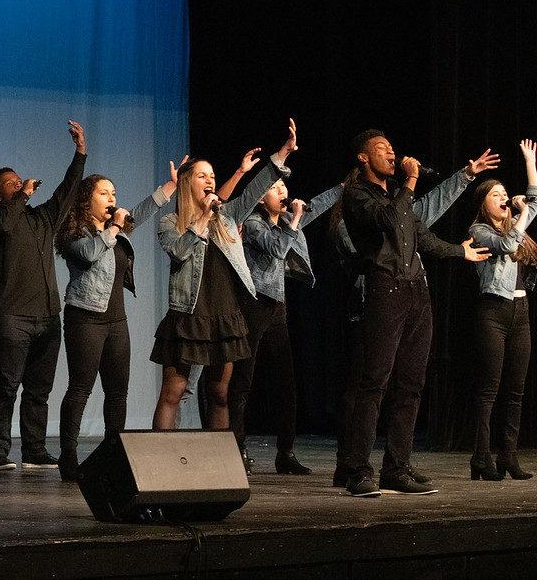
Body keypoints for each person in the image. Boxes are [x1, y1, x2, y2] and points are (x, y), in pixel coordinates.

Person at [329, 149, 498, 487]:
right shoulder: (357, 197)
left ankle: (396, 468)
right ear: (363, 158)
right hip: (381, 294)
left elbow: (420, 232)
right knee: (373, 382)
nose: (392, 153)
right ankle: (356, 469)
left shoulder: (396, 197)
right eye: (382, 149)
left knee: (411, 383)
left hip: (415, 291)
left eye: (392, 148)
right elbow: (390, 220)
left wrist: (458, 250)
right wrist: (411, 179)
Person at [151, 120, 299, 432]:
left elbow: (256, 189)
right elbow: (179, 252)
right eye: (202, 175)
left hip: (225, 315)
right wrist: (203, 216)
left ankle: (219, 465)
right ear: (188, 183)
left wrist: (282, 154)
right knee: (173, 392)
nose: (209, 180)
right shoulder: (170, 221)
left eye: (212, 176)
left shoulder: (227, 218)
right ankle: (158, 465)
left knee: (219, 394)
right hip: (189, 314)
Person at [54, 158, 184, 481]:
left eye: (114, 193)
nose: (112, 198)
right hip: (85, 318)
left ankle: (114, 452)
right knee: (80, 389)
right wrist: (113, 228)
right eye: (104, 193)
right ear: (88, 199)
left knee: (117, 392)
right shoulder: (74, 232)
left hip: (116, 321)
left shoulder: (116, 226)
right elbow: (89, 254)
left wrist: (171, 187)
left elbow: (139, 212)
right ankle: (67, 455)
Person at [0, 121, 87, 471]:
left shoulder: (42, 218)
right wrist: (22, 194)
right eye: (11, 184)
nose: (19, 183)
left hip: (47, 315)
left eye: (19, 179)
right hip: (11, 316)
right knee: (6, 386)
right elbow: (8, 225)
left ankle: (35, 450)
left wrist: (79, 153)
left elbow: (67, 191)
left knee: (39, 389)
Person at [229, 177, 344, 475]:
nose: (282, 191)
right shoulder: (254, 223)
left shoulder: (286, 220)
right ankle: (236, 449)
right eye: (275, 188)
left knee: (286, 382)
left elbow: (314, 207)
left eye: (284, 187)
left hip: (277, 306)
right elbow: (276, 249)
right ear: (259, 198)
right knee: (244, 379)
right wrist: (294, 221)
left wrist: (343, 188)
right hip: (254, 304)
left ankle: (286, 453)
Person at [466, 139, 537, 481]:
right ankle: (481, 457)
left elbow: (534, 204)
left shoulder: (514, 224)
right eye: (496, 194)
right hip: (492, 311)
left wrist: (530, 163)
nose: (504, 198)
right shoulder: (478, 230)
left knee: (516, 390)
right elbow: (509, 245)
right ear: (483, 203)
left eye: (505, 193)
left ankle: (508, 456)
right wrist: (522, 213)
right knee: (489, 390)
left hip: (520, 310)